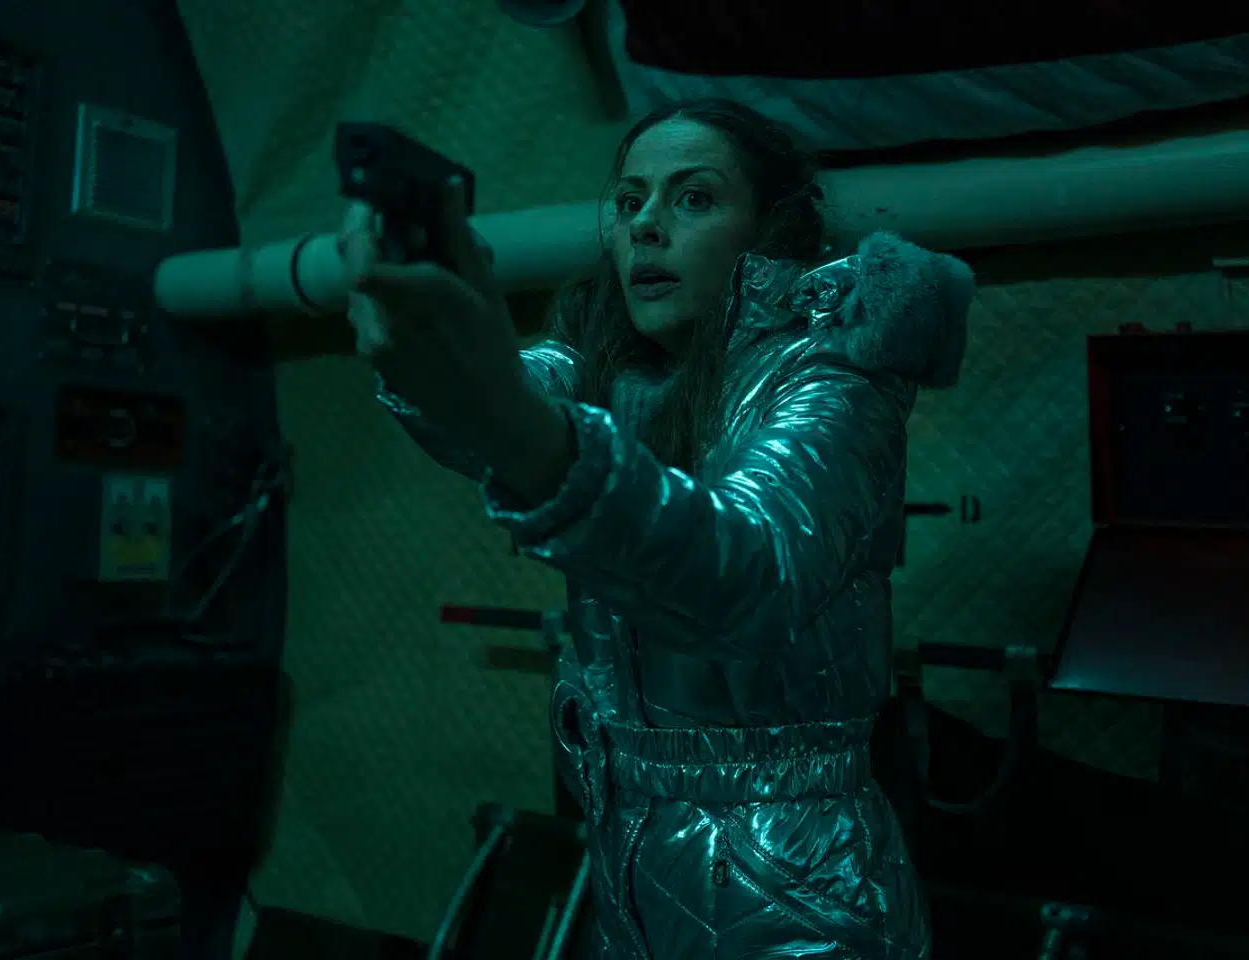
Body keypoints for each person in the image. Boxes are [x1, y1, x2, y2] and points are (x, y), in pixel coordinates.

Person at [343, 98, 973, 960]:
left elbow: (750, 573)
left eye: (694, 198)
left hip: (797, 883)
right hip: (631, 857)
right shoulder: (609, 363)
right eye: (630, 199)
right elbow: (501, 403)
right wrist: (436, 364)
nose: (646, 225)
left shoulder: (833, 372)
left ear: (770, 227)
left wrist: (510, 418)